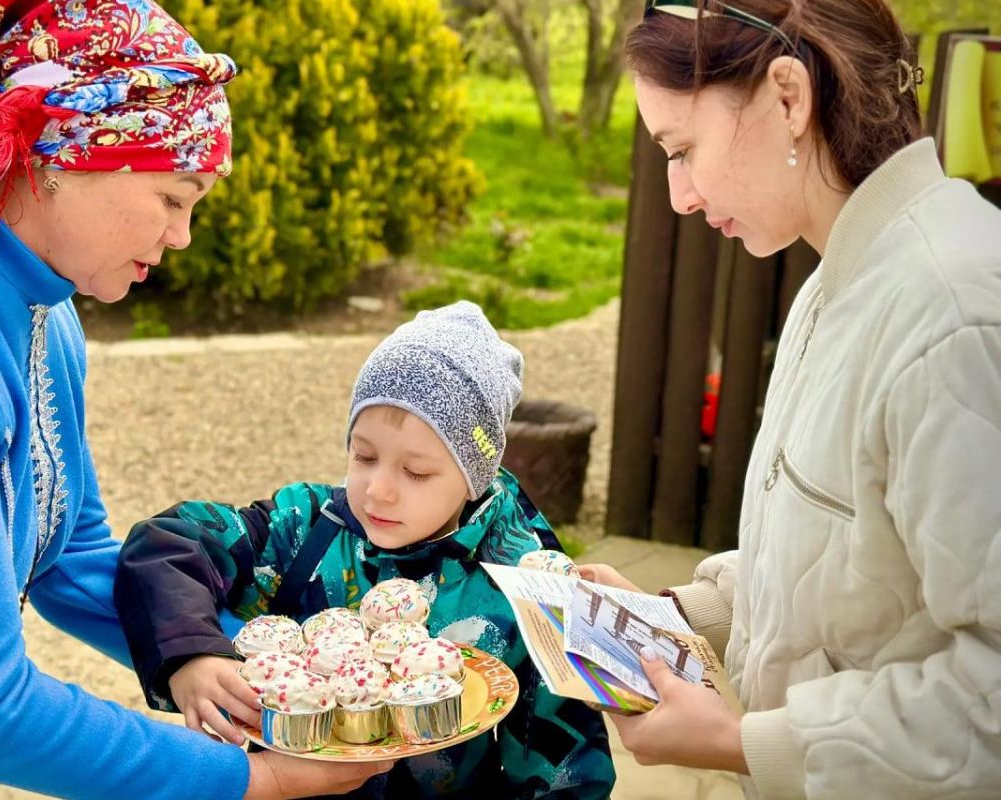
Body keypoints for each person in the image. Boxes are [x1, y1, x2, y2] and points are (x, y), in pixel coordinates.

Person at [0, 1, 387, 797]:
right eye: (176, 197)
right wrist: (254, 782)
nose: (182, 237)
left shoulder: (45, 315)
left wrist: (270, 671)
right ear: (60, 159)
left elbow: (71, 558)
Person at [580, 1, 1001, 798]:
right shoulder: (835, 287)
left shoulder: (957, 315)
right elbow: (852, 559)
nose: (680, 195)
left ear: (787, 97)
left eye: (683, 149)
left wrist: (743, 742)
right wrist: (682, 615)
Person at [114, 301, 617, 799]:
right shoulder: (305, 529)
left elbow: (564, 759)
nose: (379, 490)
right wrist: (189, 655)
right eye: (364, 456)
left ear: (472, 479)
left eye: (416, 472)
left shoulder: (521, 581)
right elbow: (168, 544)